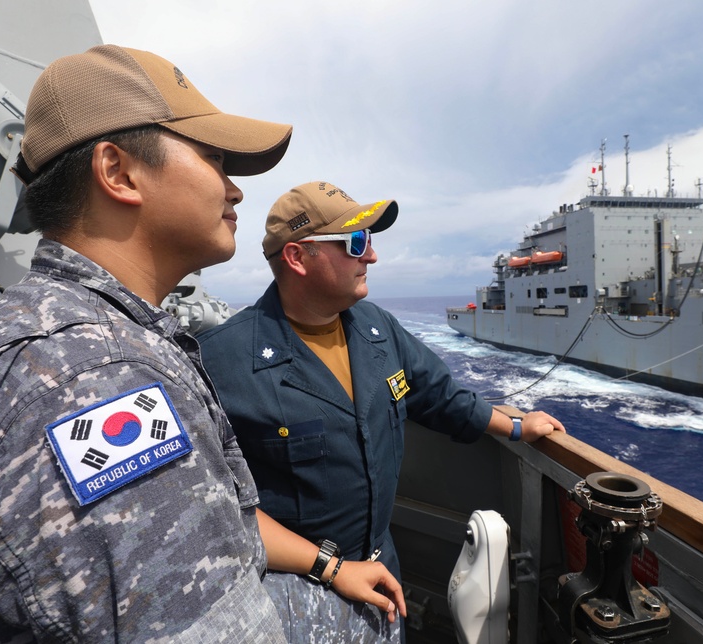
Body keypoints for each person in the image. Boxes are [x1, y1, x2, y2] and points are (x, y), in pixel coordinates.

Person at [0, 46, 402, 641]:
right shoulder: (93, 379)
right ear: (118, 172)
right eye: (214, 158)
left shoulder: (75, 332)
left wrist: (330, 566)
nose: (236, 190)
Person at [198, 181, 566, 641]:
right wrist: (332, 569)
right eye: (356, 242)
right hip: (293, 595)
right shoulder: (219, 363)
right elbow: (218, 508)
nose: (371, 256)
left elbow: (438, 395)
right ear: (296, 257)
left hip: (382, 575)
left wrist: (514, 426)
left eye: (369, 241)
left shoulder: (377, 328)